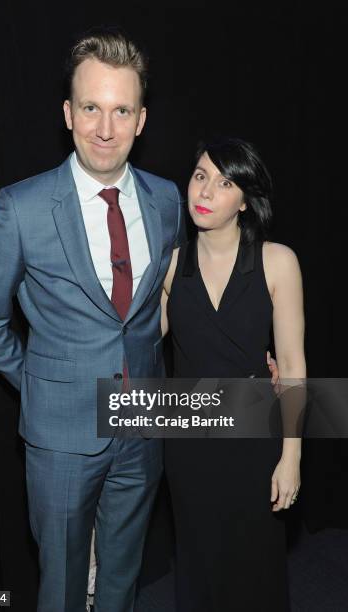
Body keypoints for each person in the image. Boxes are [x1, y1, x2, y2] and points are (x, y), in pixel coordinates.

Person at [0, 28, 183, 612]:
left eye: (120, 110)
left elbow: (167, 300)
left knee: (122, 577)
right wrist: (40, 381)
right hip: (60, 438)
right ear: (67, 112)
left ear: (141, 120)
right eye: (90, 108)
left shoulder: (167, 201)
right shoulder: (22, 207)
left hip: (143, 426)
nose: (104, 129)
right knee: (59, 585)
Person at [162, 138, 305, 612]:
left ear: (244, 200)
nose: (205, 191)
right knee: (199, 566)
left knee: (255, 568)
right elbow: (135, 345)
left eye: (225, 183)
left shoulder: (277, 261)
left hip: (254, 442)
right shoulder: (170, 265)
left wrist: (291, 457)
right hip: (189, 444)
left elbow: (293, 367)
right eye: (200, 176)